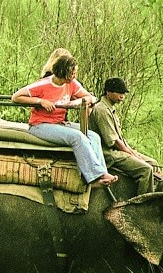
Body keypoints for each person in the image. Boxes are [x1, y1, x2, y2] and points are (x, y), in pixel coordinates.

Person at [12, 54, 119, 188]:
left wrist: (76, 102)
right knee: (77, 137)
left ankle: (102, 173)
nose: (74, 76)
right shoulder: (43, 84)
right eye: (72, 73)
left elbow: (90, 97)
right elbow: (16, 97)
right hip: (41, 125)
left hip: (60, 123)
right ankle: (94, 177)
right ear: (64, 72)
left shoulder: (72, 84)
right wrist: (40, 101)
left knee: (93, 136)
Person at [90, 77, 163, 195]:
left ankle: (154, 194)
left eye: (124, 93)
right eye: (119, 93)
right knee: (146, 170)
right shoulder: (101, 110)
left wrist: (132, 152)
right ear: (108, 92)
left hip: (118, 150)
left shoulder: (110, 108)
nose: (122, 96)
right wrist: (131, 153)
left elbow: (120, 138)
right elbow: (113, 141)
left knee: (153, 163)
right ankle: (142, 202)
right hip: (109, 153)